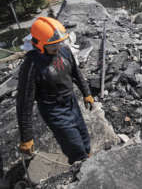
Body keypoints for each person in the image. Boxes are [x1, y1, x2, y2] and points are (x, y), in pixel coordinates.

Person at [17, 17, 94, 165]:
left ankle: (89, 162)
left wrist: (87, 93)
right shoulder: (32, 65)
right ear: (40, 44)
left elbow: (76, 73)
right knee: (75, 147)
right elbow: (24, 102)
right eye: (53, 45)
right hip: (54, 110)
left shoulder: (64, 51)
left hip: (71, 103)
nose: (58, 47)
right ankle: (81, 171)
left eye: (59, 43)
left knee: (85, 139)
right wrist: (26, 137)